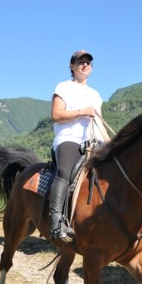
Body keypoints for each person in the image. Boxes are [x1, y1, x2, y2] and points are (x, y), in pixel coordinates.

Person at [49, 50, 109, 242]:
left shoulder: (95, 94)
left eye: (88, 63)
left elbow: (99, 122)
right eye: (80, 62)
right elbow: (56, 115)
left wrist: (112, 145)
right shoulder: (63, 87)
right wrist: (83, 111)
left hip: (94, 140)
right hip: (69, 139)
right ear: (71, 66)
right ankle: (57, 221)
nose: (85, 65)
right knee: (65, 172)